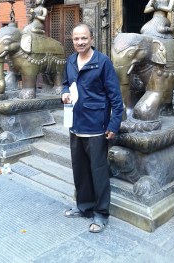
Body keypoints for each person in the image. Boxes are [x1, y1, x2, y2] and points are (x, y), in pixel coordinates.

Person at [62, 23, 123, 233]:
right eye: (76, 39)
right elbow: (64, 83)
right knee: (80, 171)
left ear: (92, 39)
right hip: (75, 124)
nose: (80, 42)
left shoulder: (102, 62)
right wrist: (64, 93)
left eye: (84, 38)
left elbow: (116, 97)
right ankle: (85, 207)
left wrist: (114, 124)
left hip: (97, 127)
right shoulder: (70, 61)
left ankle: (101, 213)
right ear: (72, 40)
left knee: (98, 173)